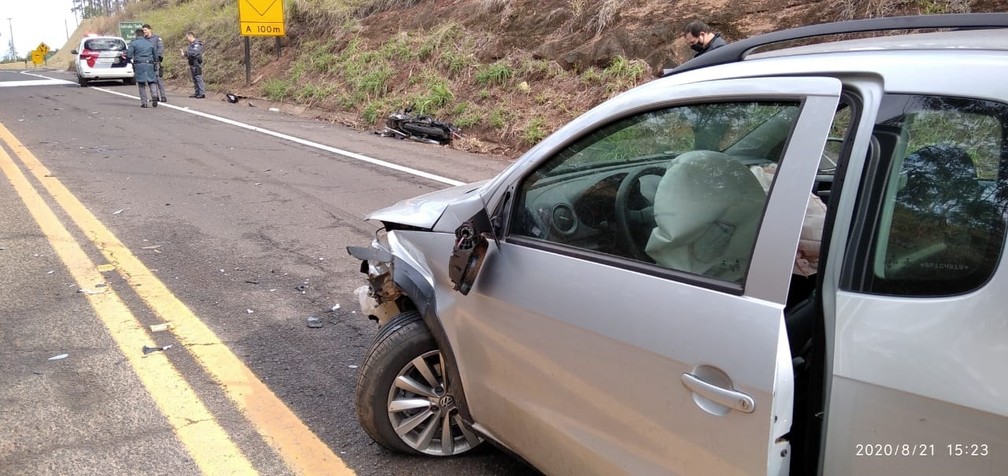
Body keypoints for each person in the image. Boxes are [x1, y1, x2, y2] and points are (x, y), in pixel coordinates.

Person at [126, 28, 162, 108]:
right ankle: (154, 96)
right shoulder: (149, 43)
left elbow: (129, 55)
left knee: (141, 84)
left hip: (139, 64)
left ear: (136, 34)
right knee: (152, 81)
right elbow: (155, 56)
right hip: (150, 64)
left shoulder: (133, 43)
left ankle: (144, 102)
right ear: (143, 34)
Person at [142, 23, 168, 102]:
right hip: (147, 62)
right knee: (150, 80)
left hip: (155, 62)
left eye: (145, 30)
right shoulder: (143, 40)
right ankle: (155, 96)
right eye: (143, 31)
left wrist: (157, 57)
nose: (144, 32)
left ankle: (163, 96)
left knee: (158, 79)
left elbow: (160, 48)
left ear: (150, 30)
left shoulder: (156, 38)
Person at [180, 31, 206, 98]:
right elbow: (190, 52)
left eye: (187, 37)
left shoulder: (197, 44)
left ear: (191, 36)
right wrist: (185, 53)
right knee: (194, 78)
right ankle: (197, 92)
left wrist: (185, 54)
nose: (187, 38)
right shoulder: (191, 44)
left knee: (198, 77)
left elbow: (195, 53)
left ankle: (201, 93)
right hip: (192, 63)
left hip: (196, 63)